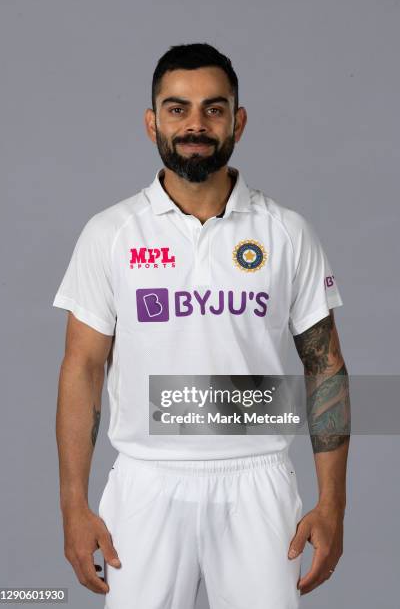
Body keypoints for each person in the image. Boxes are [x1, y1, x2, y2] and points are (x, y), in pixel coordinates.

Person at [53, 42, 350, 609]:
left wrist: (331, 504)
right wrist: (74, 505)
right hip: (146, 481)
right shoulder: (111, 233)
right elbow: (82, 370)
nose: (195, 124)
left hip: (257, 480)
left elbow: (325, 366)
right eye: (177, 108)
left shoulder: (285, 231)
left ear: (237, 121)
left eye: (214, 109)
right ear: (151, 123)